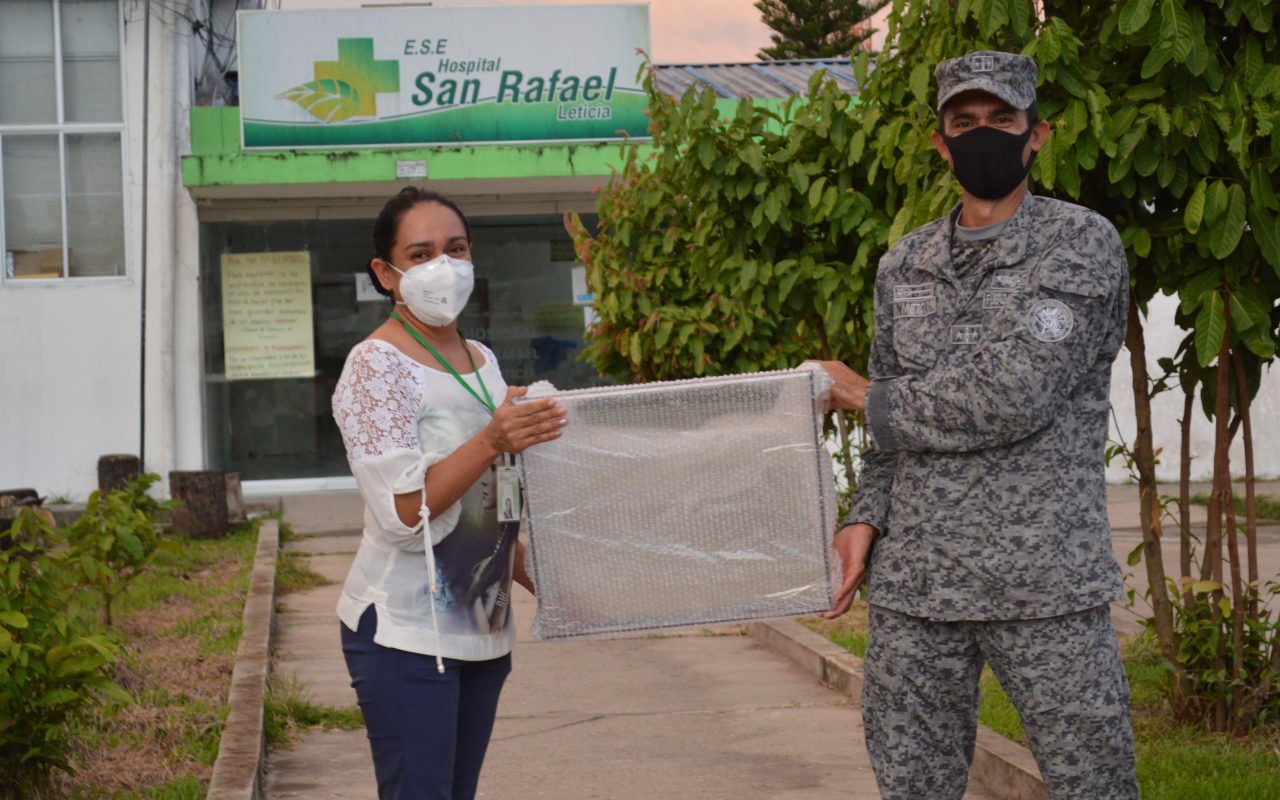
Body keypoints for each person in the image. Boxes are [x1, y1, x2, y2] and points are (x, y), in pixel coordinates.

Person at [812, 52, 1139, 799]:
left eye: (1001, 121)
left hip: (1043, 583)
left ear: (1036, 136)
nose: (982, 136)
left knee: (1094, 784)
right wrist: (866, 516)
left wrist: (861, 394)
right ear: (940, 142)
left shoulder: (1079, 244)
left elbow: (1014, 394)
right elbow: (891, 427)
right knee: (911, 786)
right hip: (916, 586)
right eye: (964, 123)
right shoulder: (904, 264)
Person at [331, 187, 568, 800]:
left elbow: (495, 509)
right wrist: (491, 439)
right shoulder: (375, 367)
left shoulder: (482, 360)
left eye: (456, 248)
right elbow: (401, 516)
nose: (444, 266)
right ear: (386, 273)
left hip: (482, 628)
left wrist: (559, 588)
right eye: (421, 253)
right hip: (407, 636)